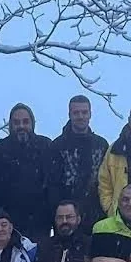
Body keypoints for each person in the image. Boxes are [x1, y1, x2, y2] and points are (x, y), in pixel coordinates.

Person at [0, 103, 53, 243]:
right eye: (16, 122)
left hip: (40, 226)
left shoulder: (46, 146)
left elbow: (53, 185)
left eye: (25, 122)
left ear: (32, 124)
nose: (21, 126)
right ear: (10, 125)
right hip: (7, 227)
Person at [47, 95, 109, 232]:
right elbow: (52, 185)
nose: (80, 116)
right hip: (66, 218)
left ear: (90, 114)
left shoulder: (101, 145)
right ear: (69, 114)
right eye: (76, 113)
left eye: (84, 112)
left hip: (97, 215)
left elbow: (107, 180)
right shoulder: (57, 146)